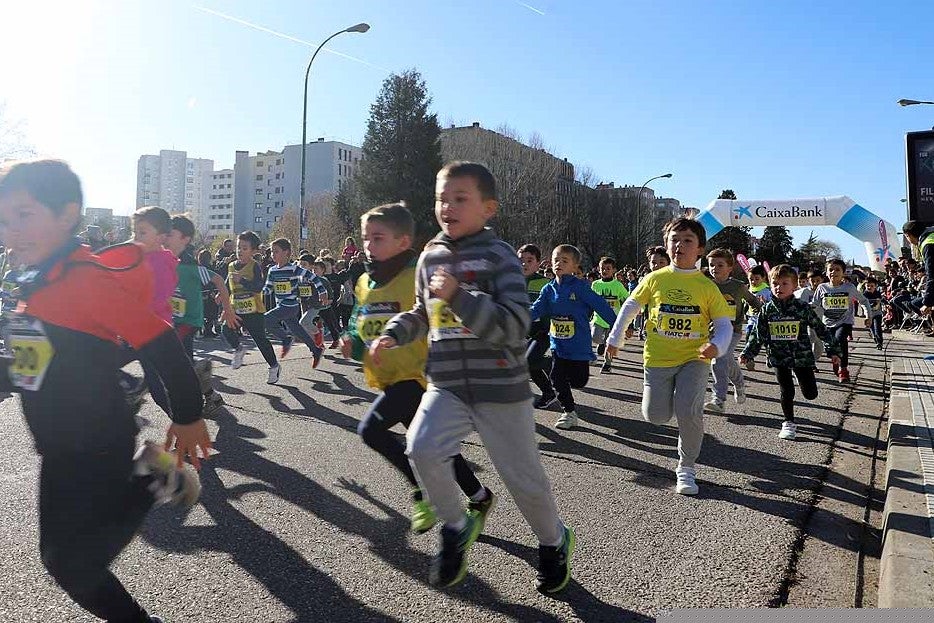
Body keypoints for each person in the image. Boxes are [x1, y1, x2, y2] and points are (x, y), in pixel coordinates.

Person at [0, 159, 211, 623]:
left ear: (67, 214)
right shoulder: (29, 283)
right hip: (58, 447)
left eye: (25, 215)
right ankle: (155, 475)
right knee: (63, 562)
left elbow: (162, 343)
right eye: (4, 217)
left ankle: (155, 475)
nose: (11, 230)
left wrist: (189, 413)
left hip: (98, 439)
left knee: (75, 565)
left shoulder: (84, 279)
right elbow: (26, 367)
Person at [372, 162, 573, 593]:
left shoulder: (499, 257)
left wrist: (459, 296)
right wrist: (394, 334)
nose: (448, 206)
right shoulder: (430, 257)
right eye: (442, 198)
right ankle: (456, 526)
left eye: (460, 198)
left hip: (500, 388)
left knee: (523, 481)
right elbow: (423, 312)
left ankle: (554, 541)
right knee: (421, 448)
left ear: (488, 208)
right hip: (446, 384)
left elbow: (515, 326)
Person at [341, 202, 493, 534]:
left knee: (371, 431)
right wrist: (351, 341)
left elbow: (443, 315)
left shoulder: (416, 275)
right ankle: (479, 495)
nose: (369, 245)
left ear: (403, 242)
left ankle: (421, 491)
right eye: (366, 238)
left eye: (378, 238)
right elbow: (359, 322)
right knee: (431, 446)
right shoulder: (365, 282)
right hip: (389, 376)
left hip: (420, 377)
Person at [606, 218, 733, 495]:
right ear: (667, 245)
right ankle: (676, 402)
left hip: (694, 358)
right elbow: (630, 307)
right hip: (658, 359)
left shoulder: (707, 287)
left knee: (688, 412)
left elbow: (724, 325)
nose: (680, 245)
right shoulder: (654, 279)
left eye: (688, 240)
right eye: (675, 240)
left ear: (699, 249)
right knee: (655, 416)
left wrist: (717, 346)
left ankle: (686, 468)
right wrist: (615, 338)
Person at [740, 265, 842, 440]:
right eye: (775, 284)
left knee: (810, 394)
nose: (779, 287)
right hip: (779, 357)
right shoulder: (767, 309)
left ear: (794, 286)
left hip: (801, 357)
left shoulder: (803, 307)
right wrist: (748, 353)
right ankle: (788, 423)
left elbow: (820, 329)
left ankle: (802, 380)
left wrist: (833, 350)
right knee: (786, 390)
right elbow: (758, 335)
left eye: (784, 283)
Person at [530, 245, 617, 429]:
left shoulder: (581, 288)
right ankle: (569, 412)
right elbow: (535, 310)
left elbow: (601, 306)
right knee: (557, 378)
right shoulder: (548, 289)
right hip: (558, 345)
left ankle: (567, 375)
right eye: (555, 260)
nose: (558, 264)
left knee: (578, 381)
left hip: (578, 346)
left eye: (564, 261)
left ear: (575, 266)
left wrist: (617, 327)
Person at [165, 215, 239, 413]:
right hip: (172, 319)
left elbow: (219, 281)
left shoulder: (191, 267)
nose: (165, 238)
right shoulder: (165, 261)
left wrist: (228, 309)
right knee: (184, 361)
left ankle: (189, 406)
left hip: (189, 320)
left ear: (185, 239)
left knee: (177, 359)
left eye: (170, 234)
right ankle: (210, 395)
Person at [704, 248, 760, 413]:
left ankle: (719, 399)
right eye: (712, 265)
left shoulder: (738, 286)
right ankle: (739, 383)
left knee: (719, 360)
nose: (715, 268)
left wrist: (760, 314)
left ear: (730, 268)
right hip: (712, 331)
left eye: (720, 265)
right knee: (726, 360)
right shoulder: (706, 285)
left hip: (732, 331)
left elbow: (753, 301)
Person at [224, 231, 281, 383]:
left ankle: (274, 366)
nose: (240, 251)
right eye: (238, 247)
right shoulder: (231, 266)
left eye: (244, 248)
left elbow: (258, 287)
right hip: (236, 308)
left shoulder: (254, 266)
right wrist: (220, 295)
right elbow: (227, 284)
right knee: (225, 329)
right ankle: (239, 349)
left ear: (253, 251)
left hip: (254, 311)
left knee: (260, 340)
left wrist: (242, 280)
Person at [263, 237, 324, 369]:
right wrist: (256, 292)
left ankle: (286, 339)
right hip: (281, 306)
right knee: (299, 331)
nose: (273, 254)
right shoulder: (272, 270)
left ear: (287, 253)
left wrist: (322, 291)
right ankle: (316, 350)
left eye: (276, 251)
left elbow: (313, 277)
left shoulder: (293, 269)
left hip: (290, 306)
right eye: (272, 252)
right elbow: (267, 289)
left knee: (265, 320)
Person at [813, 258, 871, 383]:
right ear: (826, 273)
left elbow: (864, 301)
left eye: (837, 269)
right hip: (827, 323)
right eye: (831, 270)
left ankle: (843, 370)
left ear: (844, 273)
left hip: (845, 322)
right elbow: (815, 304)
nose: (834, 272)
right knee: (830, 345)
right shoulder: (822, 288)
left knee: (840, 340)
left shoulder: (849, 288)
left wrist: (868, 316)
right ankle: (835, 358)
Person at [518, 243, 554, 408]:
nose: (524, 263)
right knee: (525, 364)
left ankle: (551, 366)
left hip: (543, 331)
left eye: (530, 260)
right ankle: (549, 392)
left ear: (539, 263)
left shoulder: (546, 283)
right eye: (521, 260)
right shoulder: (512, 282)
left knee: (530, 361)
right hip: (520, 333)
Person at [589, 256, 629, 374]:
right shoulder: (595, 284)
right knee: (595, 337)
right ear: (598, 269)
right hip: (598, 319)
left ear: (614, 270)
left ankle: (607, 364)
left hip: (613, 320)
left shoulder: (618, 285)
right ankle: (600, 344)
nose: (605, 271)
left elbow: (627, 299)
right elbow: (591, 300)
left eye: (608, 268)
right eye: (603, 268)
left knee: (610, 343)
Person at [743, 264, 772, 371]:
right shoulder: (747, 290)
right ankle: (749, 359)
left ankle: (770, 356)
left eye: (756, 279)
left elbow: (773, 305)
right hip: (752, 319)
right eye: (751, 279)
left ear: (763, 278)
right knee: (749, 337)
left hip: (765, 321)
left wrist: (766, 304)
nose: (753, 281)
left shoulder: (767, 291)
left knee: (767, 341)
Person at [863, 276, 885, 350]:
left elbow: (881, 300)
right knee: (872, 328)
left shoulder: (878, 293)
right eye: (867, 286)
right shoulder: (865, 295)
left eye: (871, 286)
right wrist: (874, 303)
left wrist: (886, 303)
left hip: (878, 313)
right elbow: (864, 304)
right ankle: (875, 338)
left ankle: (880, 342)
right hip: (869, 315)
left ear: (875, 286)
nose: (869, 287)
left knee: (877, 327)